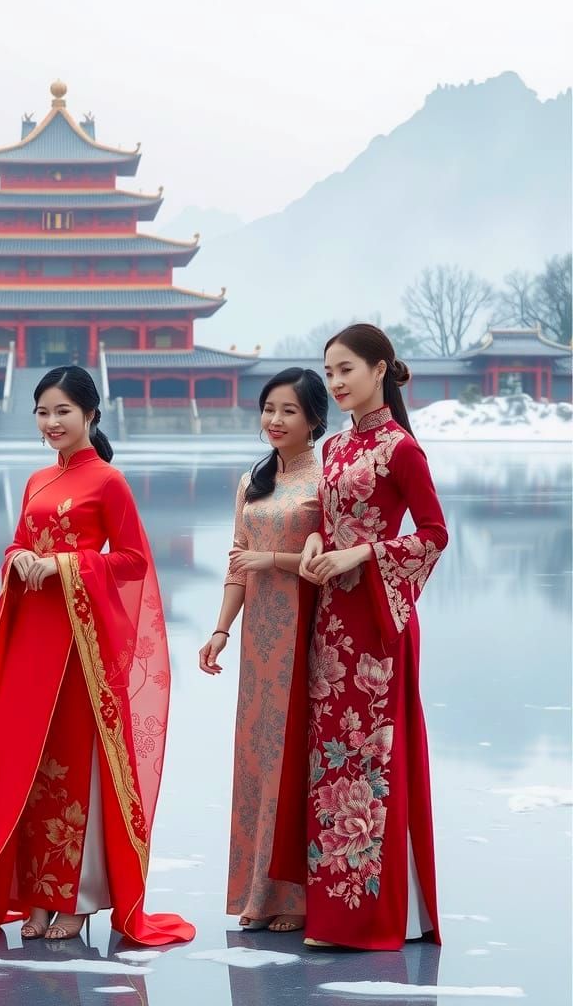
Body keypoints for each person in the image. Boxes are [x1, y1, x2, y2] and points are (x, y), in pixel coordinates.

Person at [0, 366, 194, 945]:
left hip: (82, 644)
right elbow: (22, 543)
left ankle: (75, 897)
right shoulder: (34, 481)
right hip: (34, 640)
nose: (52, 423)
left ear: (90, 416)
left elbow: (132, 561)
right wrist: (18, 559)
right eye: (43, 413)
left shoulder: (109, 482)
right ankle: (33, 892)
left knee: (77, 760)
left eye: (63, 413)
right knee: (27, 762)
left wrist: (64, 565)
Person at [271, 323, 448, 951]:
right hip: (332, 623)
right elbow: (328, 516)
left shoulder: (401, 449)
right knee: (331, 761)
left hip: (377, 624)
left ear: (380, 370)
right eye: (330, 373)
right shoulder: (340, 448)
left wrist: (362, 557)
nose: (337, 383)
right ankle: (333, 913)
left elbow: (433, 534)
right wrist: (320, 542)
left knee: (372, 760)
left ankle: (375, 918)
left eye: (347, 369)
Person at [200, 367, 328, 934]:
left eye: (289, 411)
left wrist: (271, 562)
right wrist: (222, 629)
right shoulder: (253, 482)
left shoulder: (327, 478)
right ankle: (260, 891)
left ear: (315, 420)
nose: (275, 421)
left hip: (309, 630)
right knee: (257, 757)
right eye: (269, 409)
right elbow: (237, 559)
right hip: (259, 641)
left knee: (297, 755)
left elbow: (335, 559)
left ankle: (297, 895)